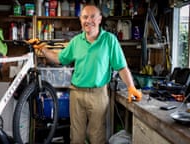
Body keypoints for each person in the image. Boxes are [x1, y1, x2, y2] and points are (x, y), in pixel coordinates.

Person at [29, 4, 142, 144]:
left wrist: (131, 87)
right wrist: (43, 49)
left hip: (98, 94)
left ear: (100, 19)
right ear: (80, 20)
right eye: (85, 17)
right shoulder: (76, 41)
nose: (88, 20)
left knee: (96, 137)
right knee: (76, 137)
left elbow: (121, 67)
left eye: (92, 16)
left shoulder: (109, 40)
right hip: (76, 93)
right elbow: (59, 59)